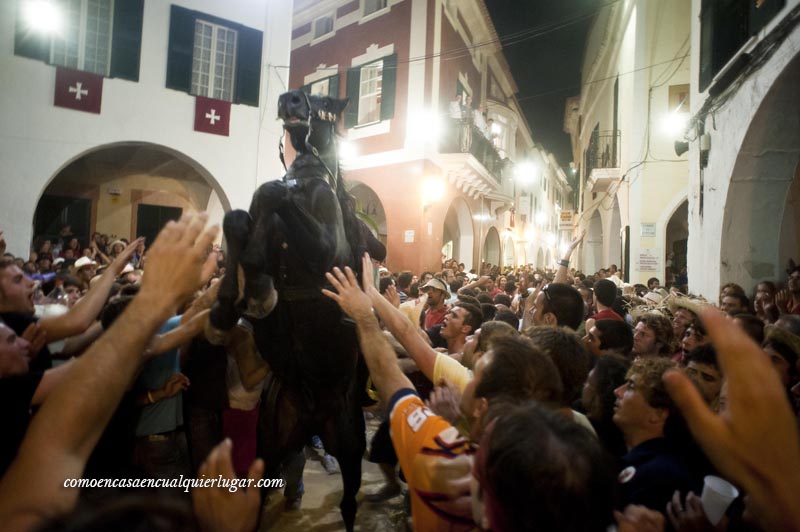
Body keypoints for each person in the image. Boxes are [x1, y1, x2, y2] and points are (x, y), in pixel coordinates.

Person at [0, 212, 227, 531]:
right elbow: (79, 360)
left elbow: (54, 445)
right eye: (12, 338)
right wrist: (153, 302)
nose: (29, 343)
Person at [613, 357, 695, 512]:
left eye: (631, 386)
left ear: (658, 414)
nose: (618, 391)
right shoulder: (629, 455)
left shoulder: (661, 477)